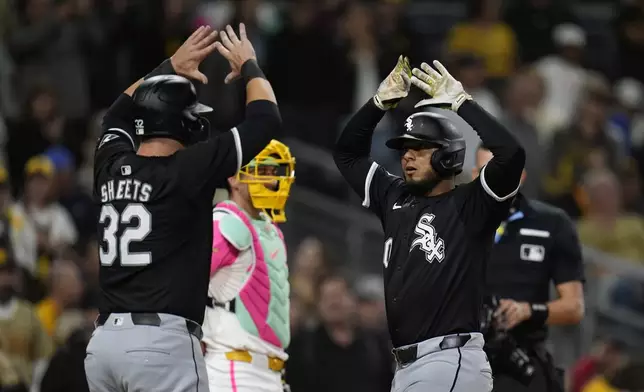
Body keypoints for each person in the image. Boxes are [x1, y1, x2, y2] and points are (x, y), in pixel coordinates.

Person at [84, 23, 282, 392]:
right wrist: (250, 65)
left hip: (103, 347)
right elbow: (266, 117)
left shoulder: (109, 166)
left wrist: (168, 67)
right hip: (159, 347)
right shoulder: (189, 168)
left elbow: (116, 115)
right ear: (181, 122)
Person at [333, 56, 525, 392]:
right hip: (409, 366)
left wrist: (463, 104)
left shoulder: (471, 204)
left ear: (447, 154)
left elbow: (511, 154)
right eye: (405, 149)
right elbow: (347, 154)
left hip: (449, 358)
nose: (407, 156)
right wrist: (378, 104)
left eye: (419, 148)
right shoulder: (393, 195)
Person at [473, 144, 585, 392]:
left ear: (521, 176)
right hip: (461, 357)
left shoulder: (552, 223)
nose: (495, 181)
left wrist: (525, 311)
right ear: (473, 175)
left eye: (504, 172)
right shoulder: (454, 221)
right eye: (485, 172)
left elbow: (574, 307)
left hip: (519, 360)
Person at [201, 139, 295, 392]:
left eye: (273, 172)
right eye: (261, 171)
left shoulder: (269, 228)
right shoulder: (226, 222)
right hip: (233, 367)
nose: (271, 179)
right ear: (233, 178)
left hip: (270, 371)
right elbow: (185, 284)